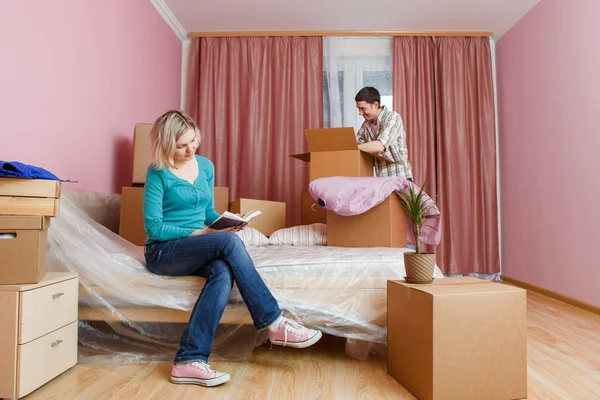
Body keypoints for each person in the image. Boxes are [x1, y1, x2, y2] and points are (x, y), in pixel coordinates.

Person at [143, 110, 322, 387]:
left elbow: (207, 213)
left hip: (194, 245)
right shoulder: (158, 172)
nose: (190, 149)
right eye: (181, 145)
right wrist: (204, 233)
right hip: (163, 251)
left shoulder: (205, 166)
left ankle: (188, 360)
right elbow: (154, 227)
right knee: (227, 244)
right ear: (167, 145)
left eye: (193, 141)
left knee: (223, 271)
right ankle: (274, 322)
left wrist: (227, 222)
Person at [355, 87, 413, 181]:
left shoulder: (393, 118)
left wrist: (354, 148)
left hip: (400, 179)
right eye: (358, 109)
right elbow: (356, 143)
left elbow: (380, 145)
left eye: (363, 109)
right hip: (381, 180)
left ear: (375, 104)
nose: (360, 113)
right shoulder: (366, 125)